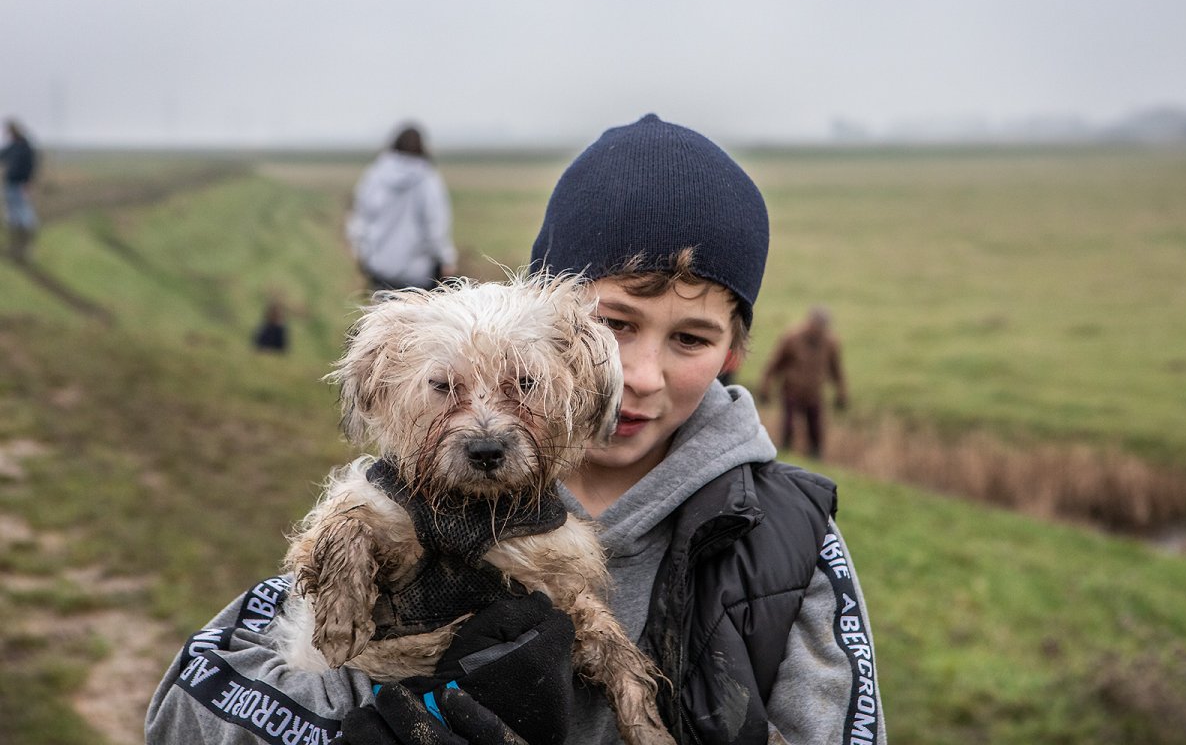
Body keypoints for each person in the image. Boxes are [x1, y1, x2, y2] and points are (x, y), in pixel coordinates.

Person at [146, 114, 886, 745]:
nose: (641, 374)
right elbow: (185, 707)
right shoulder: (407, 498)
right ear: (539, 325)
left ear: (734, 352)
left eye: (690, 340)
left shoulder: (782, 545)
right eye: (613, 324)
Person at [346, 123, 458, 291]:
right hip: (419, 276)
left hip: (379, 271)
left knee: (383, 315)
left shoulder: (374, 176)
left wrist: (361, 253)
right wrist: (446, 259)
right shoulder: (428, 179)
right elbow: (435, 225)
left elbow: (360, 218)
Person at [759, 306, 849, 459]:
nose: (818, 330)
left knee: (815, 430)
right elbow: (774, 364)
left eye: (822, 327)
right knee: (788, 426)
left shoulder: (830, 343)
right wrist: (765, 386)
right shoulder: (792, 338)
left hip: (814, 394)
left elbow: (836, 370)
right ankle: (784, 454)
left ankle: (815, 459)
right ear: (809, 322)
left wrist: (842, 393)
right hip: (791, 390)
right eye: (816, 325)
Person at [1, 118, 39, 262]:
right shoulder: (13, 146)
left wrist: (28, 182)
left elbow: (31, 165)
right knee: (12, 216)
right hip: (10, 185)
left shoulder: (25, 147)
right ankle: (14, 248)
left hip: (21, 185)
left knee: (25, 215)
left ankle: (27, 249)